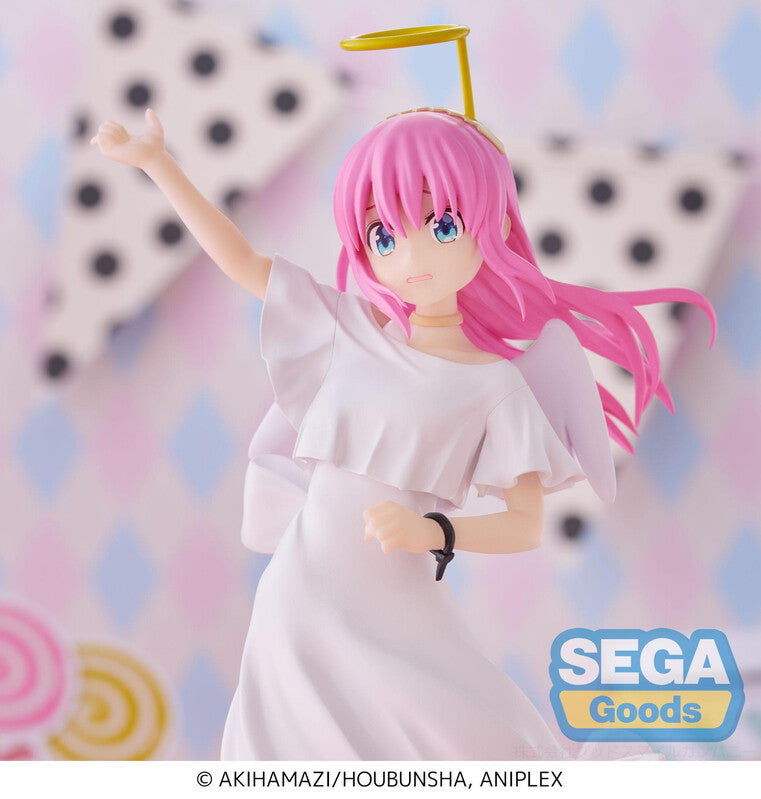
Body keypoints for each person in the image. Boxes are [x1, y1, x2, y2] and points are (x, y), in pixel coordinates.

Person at [91, 106, 714, 759]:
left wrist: (432, 532)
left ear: (495, 225)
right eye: (383, 235)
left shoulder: (493, 384)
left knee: (471, 733)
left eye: (442, 226)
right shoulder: (349, 331)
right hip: (301, 591)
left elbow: (525, 523)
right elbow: (242, 261)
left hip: (399, 600)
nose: (413, 256)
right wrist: (157, 163)